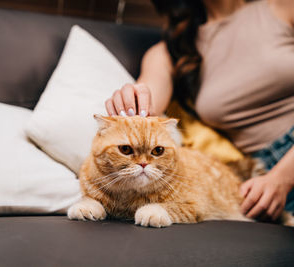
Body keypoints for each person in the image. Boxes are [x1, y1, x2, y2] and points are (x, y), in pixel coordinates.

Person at [105, 0, 294, 221]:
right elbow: (147, 103)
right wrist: (132, 100)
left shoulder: (283, 7)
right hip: (263, 178)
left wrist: (283, 177)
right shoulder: (168, 53)